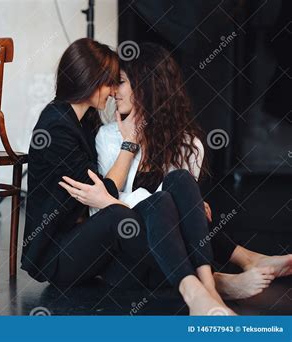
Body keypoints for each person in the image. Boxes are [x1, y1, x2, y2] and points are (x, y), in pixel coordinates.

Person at [21, 38, 236, 315]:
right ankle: (206, 284)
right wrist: (130, 143)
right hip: (58, 256)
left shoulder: (82, 121)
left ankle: (206, 287)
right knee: (118, 216)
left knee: (169, 194)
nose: (112, 91)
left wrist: (183, 206)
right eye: (109, 82)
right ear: (89, 80)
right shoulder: (56, 128)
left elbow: (104, 194)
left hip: (91, 243)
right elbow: (103, 193)